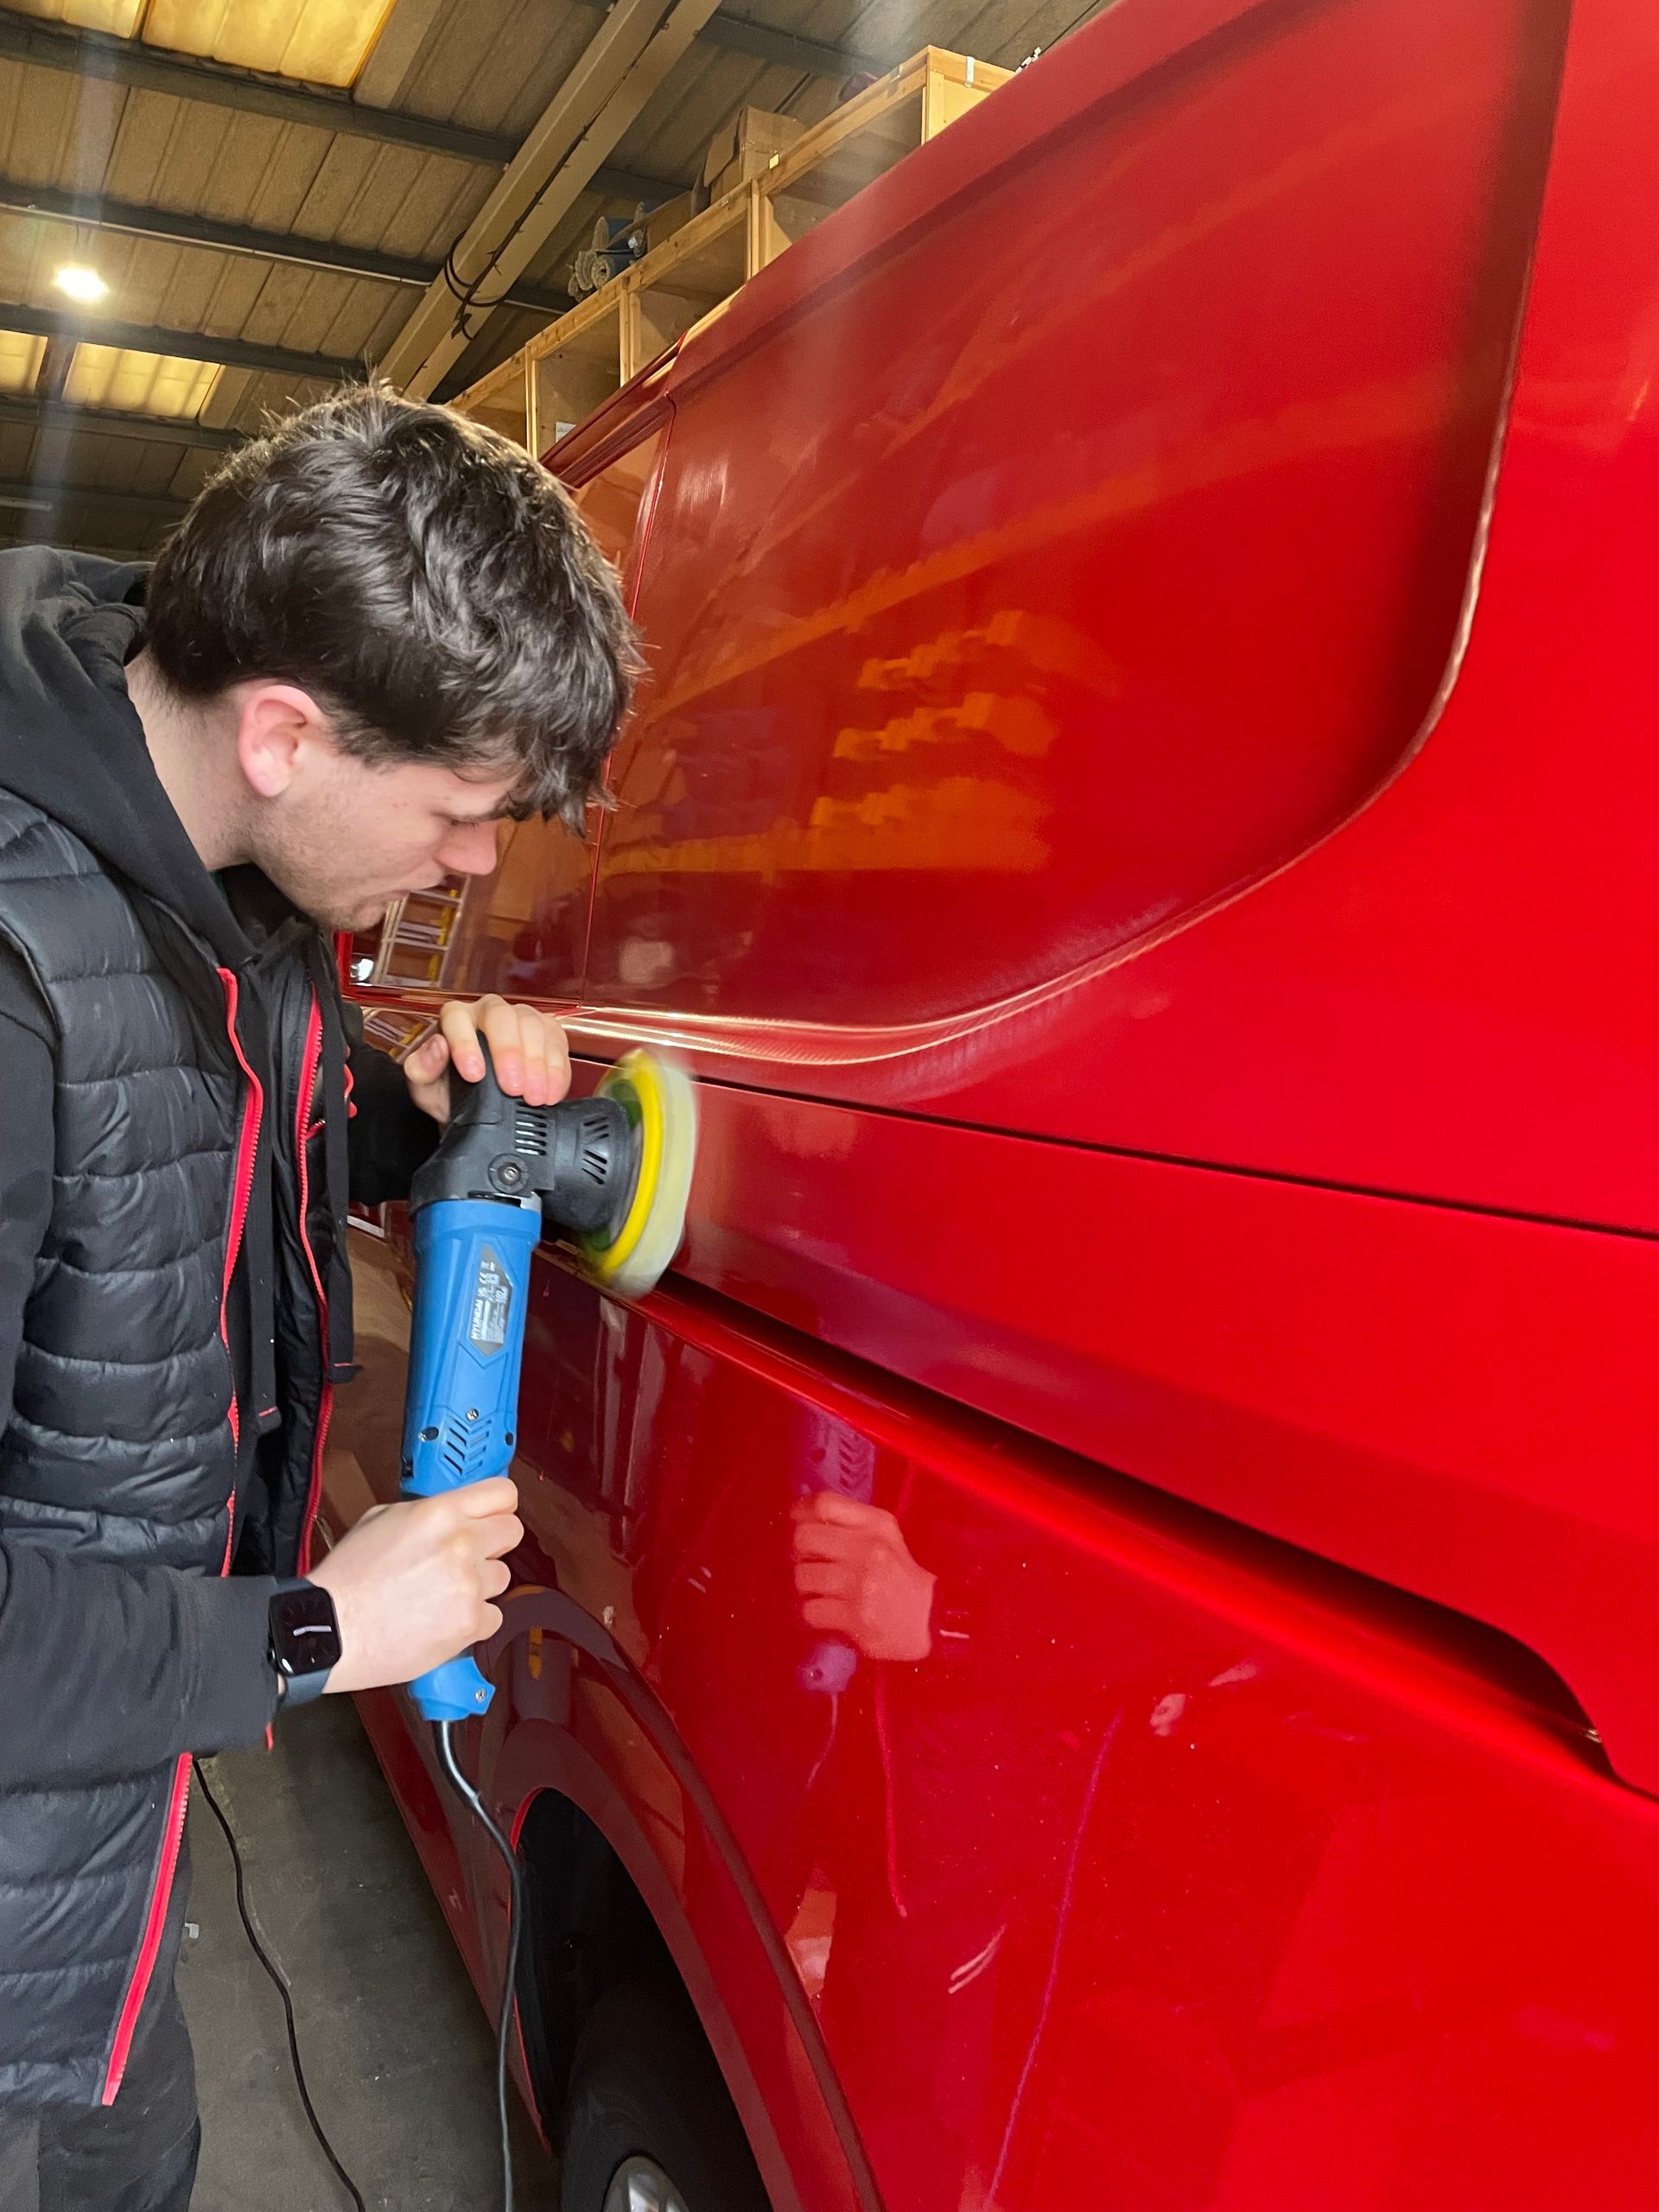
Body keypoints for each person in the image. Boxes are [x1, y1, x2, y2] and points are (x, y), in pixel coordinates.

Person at [0, 386, 635, 2209]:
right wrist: (302, 1630)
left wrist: (394, 1112)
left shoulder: (224, 885)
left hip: (88, 1855)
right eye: (459, 812)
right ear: (286, 729)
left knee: (149, 2152)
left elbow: (197, 1135)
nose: (473, 866)